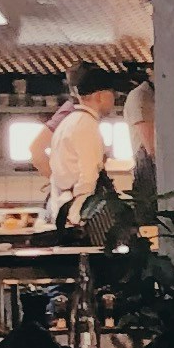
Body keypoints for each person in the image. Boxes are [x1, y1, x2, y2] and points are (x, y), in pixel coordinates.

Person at [42, 65, 123, 227]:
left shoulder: (69, 122)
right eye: (112, 95)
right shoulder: (87, 125)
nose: (115, 100)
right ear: (100, 96)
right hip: (78, 216)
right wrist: (80, 218)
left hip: (63, 209)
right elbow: (87, 178)